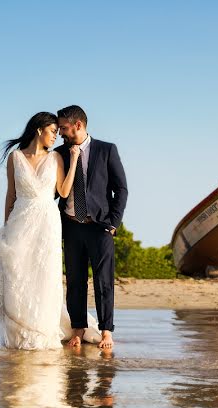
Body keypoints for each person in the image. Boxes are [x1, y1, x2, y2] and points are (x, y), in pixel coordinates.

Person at [0, 112, 101, 350]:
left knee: (45, 276)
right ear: (39, 130)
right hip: (20, 221)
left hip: (47, 222)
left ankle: (42, 330)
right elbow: (10, 195)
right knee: (18, 274)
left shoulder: (55, 158)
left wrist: (75, 160)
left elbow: (64, 191)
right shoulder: (15, 157)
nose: (55, 137)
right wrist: (6, 227)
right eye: (52, 132)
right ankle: (19, 332)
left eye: (58, 133)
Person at [55, 105, 128, 350]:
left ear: (78, 125)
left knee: (103, 281)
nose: (60, 133)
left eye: (64, 128)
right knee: (75, 280)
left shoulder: (107, 150)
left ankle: (107, 331)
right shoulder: (60, 154)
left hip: (100, 227)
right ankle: (78, 329)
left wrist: (113, 224)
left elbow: (122, 189)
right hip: (71, 225)